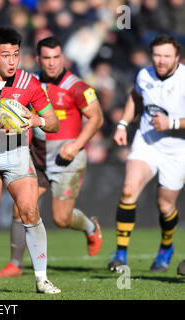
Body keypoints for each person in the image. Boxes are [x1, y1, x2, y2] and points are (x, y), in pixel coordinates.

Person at [0, 36, 104, 278]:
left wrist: (75, 146)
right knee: (20, 208)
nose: (52, 63)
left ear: (62, 57)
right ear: (38, 59)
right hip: (39, 160)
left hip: (68, 161)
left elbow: (97, 118)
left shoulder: (78, 87)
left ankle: (90, 227)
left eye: (56, 57)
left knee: (61, 219)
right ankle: (15, 264)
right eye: (47, 58)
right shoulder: (28, 84)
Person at [0, 27, 61, 294]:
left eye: (16, 54)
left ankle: (41, 279)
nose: (12, 61)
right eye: (6, 55)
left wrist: (36, 119)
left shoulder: (29, 83)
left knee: (30, 212)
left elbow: (53, 122)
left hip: (17, 155)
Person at [108, 34, 185, 273]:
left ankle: (166, 248)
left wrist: (172, 123)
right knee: (129, 190)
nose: (161, 60)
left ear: (177, 57)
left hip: (177, 150)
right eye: (157, 55)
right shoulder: (144, 74)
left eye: (166, 56)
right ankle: (120, 254)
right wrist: (122, 124)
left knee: (165, 206)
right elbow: (135, 96)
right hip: (147, 142)